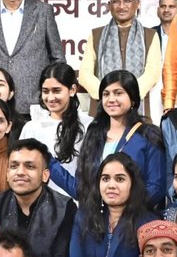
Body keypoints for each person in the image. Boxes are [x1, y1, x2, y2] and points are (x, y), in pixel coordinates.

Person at [58, 70, 168, 209]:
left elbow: (156, 187)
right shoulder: (94, 134)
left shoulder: (148, 135)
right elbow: (80, 190)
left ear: (133, 99)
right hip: (93, 220)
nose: (111, 99)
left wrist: (121, 211)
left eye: (118, 93)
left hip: (134, 219)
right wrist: (47, 161)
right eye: (106, 94)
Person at [68, 150, 159, 257]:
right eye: (105, 179)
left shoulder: (148, 223)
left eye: (120, 179)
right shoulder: (84, 218)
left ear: (133, 184)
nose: (111, 185)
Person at [78, 0, 163, 109]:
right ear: (109, 5)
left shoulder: (150, 35)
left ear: (137, 4)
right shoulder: (96, 35)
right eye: (116, 1)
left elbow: (152, 73)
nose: (122, 6)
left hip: (136, 107)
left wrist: (129, 94)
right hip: (102, 107)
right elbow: (85, 74)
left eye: (127, 1)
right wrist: (107, 94)